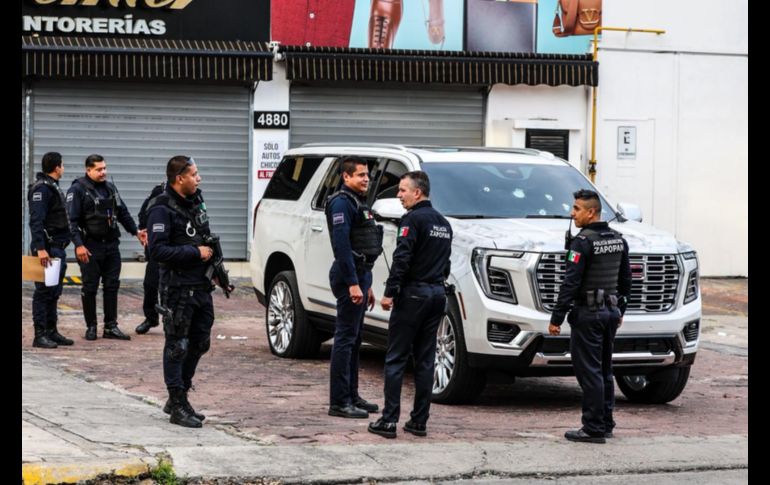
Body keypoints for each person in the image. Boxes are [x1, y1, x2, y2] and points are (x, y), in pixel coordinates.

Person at [368, 170, 452, 439]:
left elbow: (402, 258)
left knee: (396, 358)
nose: (399, 195)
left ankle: (389, 420)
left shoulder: (412, 220)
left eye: (403, 190)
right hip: (437, 294)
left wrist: (390, 292)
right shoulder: (443, 223)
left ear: (418, 192)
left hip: (414, 295)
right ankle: (419, 421)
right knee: (426, 361)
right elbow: (447, 264)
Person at [548, 189, 632, 444]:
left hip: (588, 313)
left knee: (590, 372)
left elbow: (570, 283)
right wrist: (620, 311)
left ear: (591, 212)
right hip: (610, 312)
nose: (572, 214)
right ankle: (605, 423)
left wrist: (556, 317)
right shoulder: (618, 240)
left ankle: (593, 427)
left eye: (577, 209)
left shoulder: (582, 242)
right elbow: (626, 280)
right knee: (605, 369)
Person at [146, 156, 217, 428]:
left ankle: (181, 393)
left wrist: (216, 269)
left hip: (201, 285)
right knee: (177, 345)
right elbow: (157, 251)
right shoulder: (161, 208)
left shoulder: (196, 201)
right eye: (194, 174)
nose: (199, 178)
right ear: (179, 179)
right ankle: (177, 404)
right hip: (177, 288)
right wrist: (194, 253)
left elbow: (206, 237)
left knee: (200, 342)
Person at [325, 157, 384, 419]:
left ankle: (352, 395)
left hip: (360, 276)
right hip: (348, 276)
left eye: (367, 175)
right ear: (346, 177)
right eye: (360, 175)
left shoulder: (357, 202)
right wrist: (352, 283)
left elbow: (363, 244)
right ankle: (339, 402)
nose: (366, 179)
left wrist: (365, 285)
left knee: (355, 339)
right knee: (345, 339)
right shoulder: (341, 203)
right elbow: (342, 247)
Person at [67, 154, 144, 341]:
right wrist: (78, 245)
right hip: (90, 246)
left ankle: (110, 326)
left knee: (112, 286)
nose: (103, 172)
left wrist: (136, 231)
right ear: (88, 170)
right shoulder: (77, 189)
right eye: (99, 169)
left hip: (111, 246)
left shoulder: (110, 188)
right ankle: (91, 326)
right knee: (90, 287)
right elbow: (71, 221)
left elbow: (123, 212)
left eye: (104, 168)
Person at [27, 152, 74, 349]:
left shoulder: (52, 186)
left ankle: (51, 331)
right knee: (43, 292)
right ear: (57, 167)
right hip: (47, 249)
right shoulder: (42, 189)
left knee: (54, 292)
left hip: (57, 249)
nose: (63, 168)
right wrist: (40, 248)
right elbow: (36, 221)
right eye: (62, 165)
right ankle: (40, 335)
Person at [135, 182, 166, 335]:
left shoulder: (189, 195)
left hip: (178, 250)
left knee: (170, 288)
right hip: (158, 249)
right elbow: (143, 213)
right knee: (150, 284)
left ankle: (172, 321)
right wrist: (144, 230)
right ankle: (151, 318)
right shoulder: (160, 191)